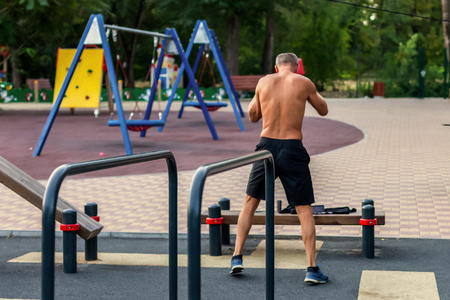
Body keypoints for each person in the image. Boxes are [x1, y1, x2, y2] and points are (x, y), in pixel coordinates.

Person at [229, 53, 329, 284]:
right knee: (304, 208)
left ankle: (237, 257)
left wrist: (260, 94)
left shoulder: (264, 82)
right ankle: (312, 269)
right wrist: (309, 91)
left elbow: (253, 116)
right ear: (296, 67)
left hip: (266, 147)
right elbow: (323, 109)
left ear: (276, 67)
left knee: (250, 202)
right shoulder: (303, 82)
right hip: (292, 148)